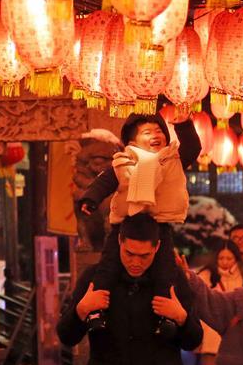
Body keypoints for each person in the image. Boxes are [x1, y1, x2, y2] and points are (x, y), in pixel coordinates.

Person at [57, 213, 203, 365]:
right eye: (129, 253)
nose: (136, 262)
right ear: (119, 242)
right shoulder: (95, 278)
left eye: (144, 256)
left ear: (157, 247)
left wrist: (181, 317)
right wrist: (81, 310)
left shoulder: (171, 279)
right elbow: (66, 335)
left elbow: (194, 340)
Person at [77, 113, 201, 336]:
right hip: (124, 227)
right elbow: (105, 182)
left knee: (165, 271)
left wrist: (183, 123)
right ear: (132, 143)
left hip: (160, 225)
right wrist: (90, 199)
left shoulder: (173, 159)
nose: (155, 135)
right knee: (107, 266)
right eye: (147, 132)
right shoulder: (123, 162)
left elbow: (192, 147)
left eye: (158, 131)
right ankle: (96, 312)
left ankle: (166, 318)